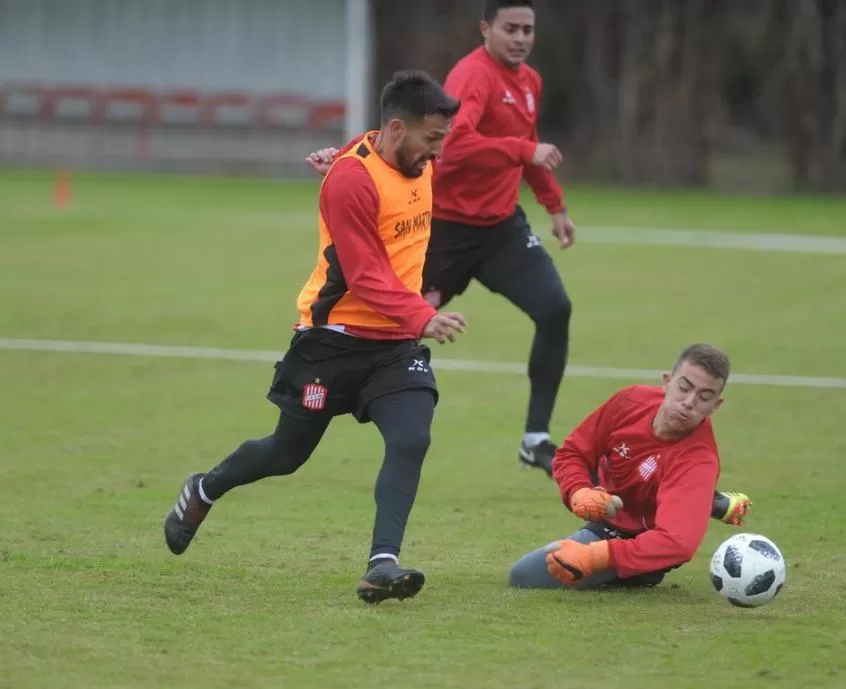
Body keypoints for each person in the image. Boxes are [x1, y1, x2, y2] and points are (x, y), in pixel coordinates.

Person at [163, 69, 466, 604]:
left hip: (393, 346)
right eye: (431, 139)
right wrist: (422, 316)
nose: (437, 153)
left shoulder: (401, 156)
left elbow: (366, 149)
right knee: (286, 453)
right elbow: (366, 275)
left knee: (411, 436)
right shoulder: (353, 181)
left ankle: (382, 564)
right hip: (333, 340)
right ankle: (204, 489)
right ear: (397, 128)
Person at [307, 0, 574, 478]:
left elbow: (529, 152)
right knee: (405, 320)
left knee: (555, 308)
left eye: (527, 29)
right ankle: (332, 401)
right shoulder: (473, 77)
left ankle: (536, 439)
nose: (520, 38)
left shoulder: (530, 81)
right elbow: (454, 145)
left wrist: (554, 206)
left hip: (500, 229)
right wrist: (523, 149)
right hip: (442, 231)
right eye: (510, 28)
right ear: (485, 29)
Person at [507, 343, 752, 590]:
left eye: (704, 397)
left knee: (526, 576)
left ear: (715, 406)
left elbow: (677, 543)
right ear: (667, 382)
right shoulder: (631, 401)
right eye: (684, 387)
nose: (689, 402)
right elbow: (573, 452)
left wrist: (596, 556)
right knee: (621, 467)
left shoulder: (699, 461)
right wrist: (579, 492)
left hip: (641, 535)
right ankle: (707, 501)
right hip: (612, 498)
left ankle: (646, 566)